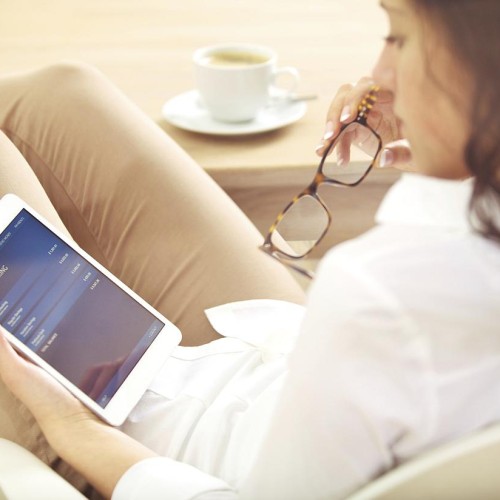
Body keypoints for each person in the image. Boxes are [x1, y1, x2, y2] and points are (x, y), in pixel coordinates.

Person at [0, 0, 499, 498]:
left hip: (142, 455)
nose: (379, 72)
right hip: (283, 361)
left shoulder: (378, 293)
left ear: (478, 66)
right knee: (62, 91)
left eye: (400, 38)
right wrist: (460, 156)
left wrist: (74, 427)